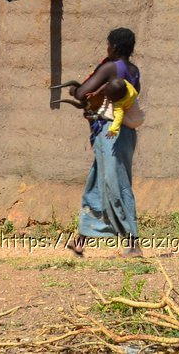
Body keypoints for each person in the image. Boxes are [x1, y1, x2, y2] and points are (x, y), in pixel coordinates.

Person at [53, 27, 144, 258]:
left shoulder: (110, 67)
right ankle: (80, 241)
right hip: (125, 134)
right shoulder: (134, 71)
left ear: (115, 47)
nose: (107, 48)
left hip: (110, 134)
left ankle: (133, 243)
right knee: (98, 183)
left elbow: (82, 92)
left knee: (117, 184)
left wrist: (74, 90)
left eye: (109, 44)